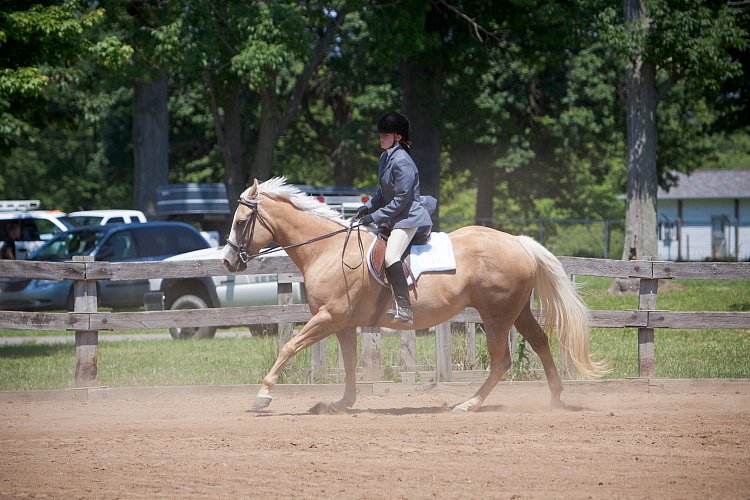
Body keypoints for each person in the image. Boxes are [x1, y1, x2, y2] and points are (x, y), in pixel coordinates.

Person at [355, 112, 435, 325]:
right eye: (380, 133)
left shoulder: (402, 161)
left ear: (398, 137)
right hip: (395, 217)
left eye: (386, 134)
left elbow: (401, 199)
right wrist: (366, 208)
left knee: (391, 256)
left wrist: (375, 216)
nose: (381, 137)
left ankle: (405, 308)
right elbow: (383, 192)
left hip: (408, 218)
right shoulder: (385, 157)